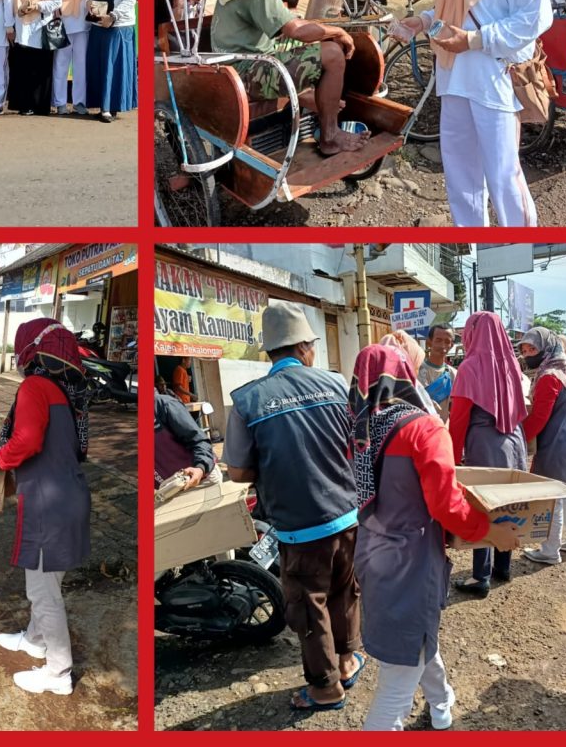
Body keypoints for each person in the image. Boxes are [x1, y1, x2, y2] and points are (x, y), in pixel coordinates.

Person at [348, 344, 520, 731]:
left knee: (416, 642)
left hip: (372, 554)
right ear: (406, 375)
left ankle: (442, 706)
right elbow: (446, 505)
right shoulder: (422, 427)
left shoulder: (357, 430)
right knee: (397, 680)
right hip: (412, 562)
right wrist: (492, 532)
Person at [392, 0, 552, 227]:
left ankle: (519, 239)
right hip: (454, 76)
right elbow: (454, 6)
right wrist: (421, 20)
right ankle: (471, 238)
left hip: (493, 80)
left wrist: (476, 41)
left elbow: (536, 19)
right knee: (460, 171)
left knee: (502, 171)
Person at [224, 302, 362, 712]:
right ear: (304, 347)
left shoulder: (248, 401)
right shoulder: (338, 384)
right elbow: (357, 443)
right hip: (348, 513)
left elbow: (237, 472)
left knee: (308, 605)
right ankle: (348, 659)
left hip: (300, 527)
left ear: (271, 352)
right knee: (344, 590)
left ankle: (325, 688)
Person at [0, 319, 91, 696]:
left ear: (31, 350)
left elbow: (26, 439)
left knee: (43, 591)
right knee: (46, 581)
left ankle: (58, 673)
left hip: (47, 503)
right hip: (64, 497)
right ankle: (36, 639)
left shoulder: (35, 386)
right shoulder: (62, 392)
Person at [210, 0, 367, 155]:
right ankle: (330, 136)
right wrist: (338, 31)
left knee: (316, 49)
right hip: (244, 72)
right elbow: (297, 31)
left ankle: (321, 106)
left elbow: (290, 26)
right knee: (333, 54)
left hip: (237, 66)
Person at [448, 312, 528, 596]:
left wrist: (453, 456)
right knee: (508, 506)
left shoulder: (470, 367)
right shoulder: (512, 365)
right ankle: (503, 567)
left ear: (472, 333)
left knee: (483, 507)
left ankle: (480, 576)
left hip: (485, 443)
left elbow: (458, 419)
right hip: (515, 442)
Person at [518, 327, 566, 563]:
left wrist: (520, 438)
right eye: (525, 349)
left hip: (555, 444)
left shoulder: (550, 375)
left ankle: (550, 550)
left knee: (552, 497)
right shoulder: (565, 367)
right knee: (563, 492)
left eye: (533, 348)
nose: (529, 353)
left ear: (546, 347)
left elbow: (540, 416)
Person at [85, 0, 138, 123]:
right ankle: (101, 105)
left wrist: (113, 16)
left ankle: (109, 108)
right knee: (99, 67)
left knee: (113, 68)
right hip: (99, 27)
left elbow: (129, 1)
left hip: (118, 28)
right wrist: (89, 3)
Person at [8, 0, 63, 117]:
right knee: (24, 69)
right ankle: (25, 105)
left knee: (40, 69)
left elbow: (56, 1)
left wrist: (37, 5)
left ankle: (40, 106)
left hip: (40, 29)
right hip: (22, 28)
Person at [49, 0, 96, 116]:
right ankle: (60, 102)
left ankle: (79, 102)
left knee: (80, 63)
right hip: (61, 21)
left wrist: (90, 1)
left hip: (82, 21)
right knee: (60, 62)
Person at [154, 387, 217, 489]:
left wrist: (200, 468)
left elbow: (199, 440)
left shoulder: (163, 404)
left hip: (199, 480)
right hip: (168, 491)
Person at [418, 325, 457, 421]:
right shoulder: (417, 370)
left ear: (451, 345)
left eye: (447, 341)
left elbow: (454, 408)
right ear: (429, 342)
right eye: (438, 340)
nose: (443, 346)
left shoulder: (454, 374)